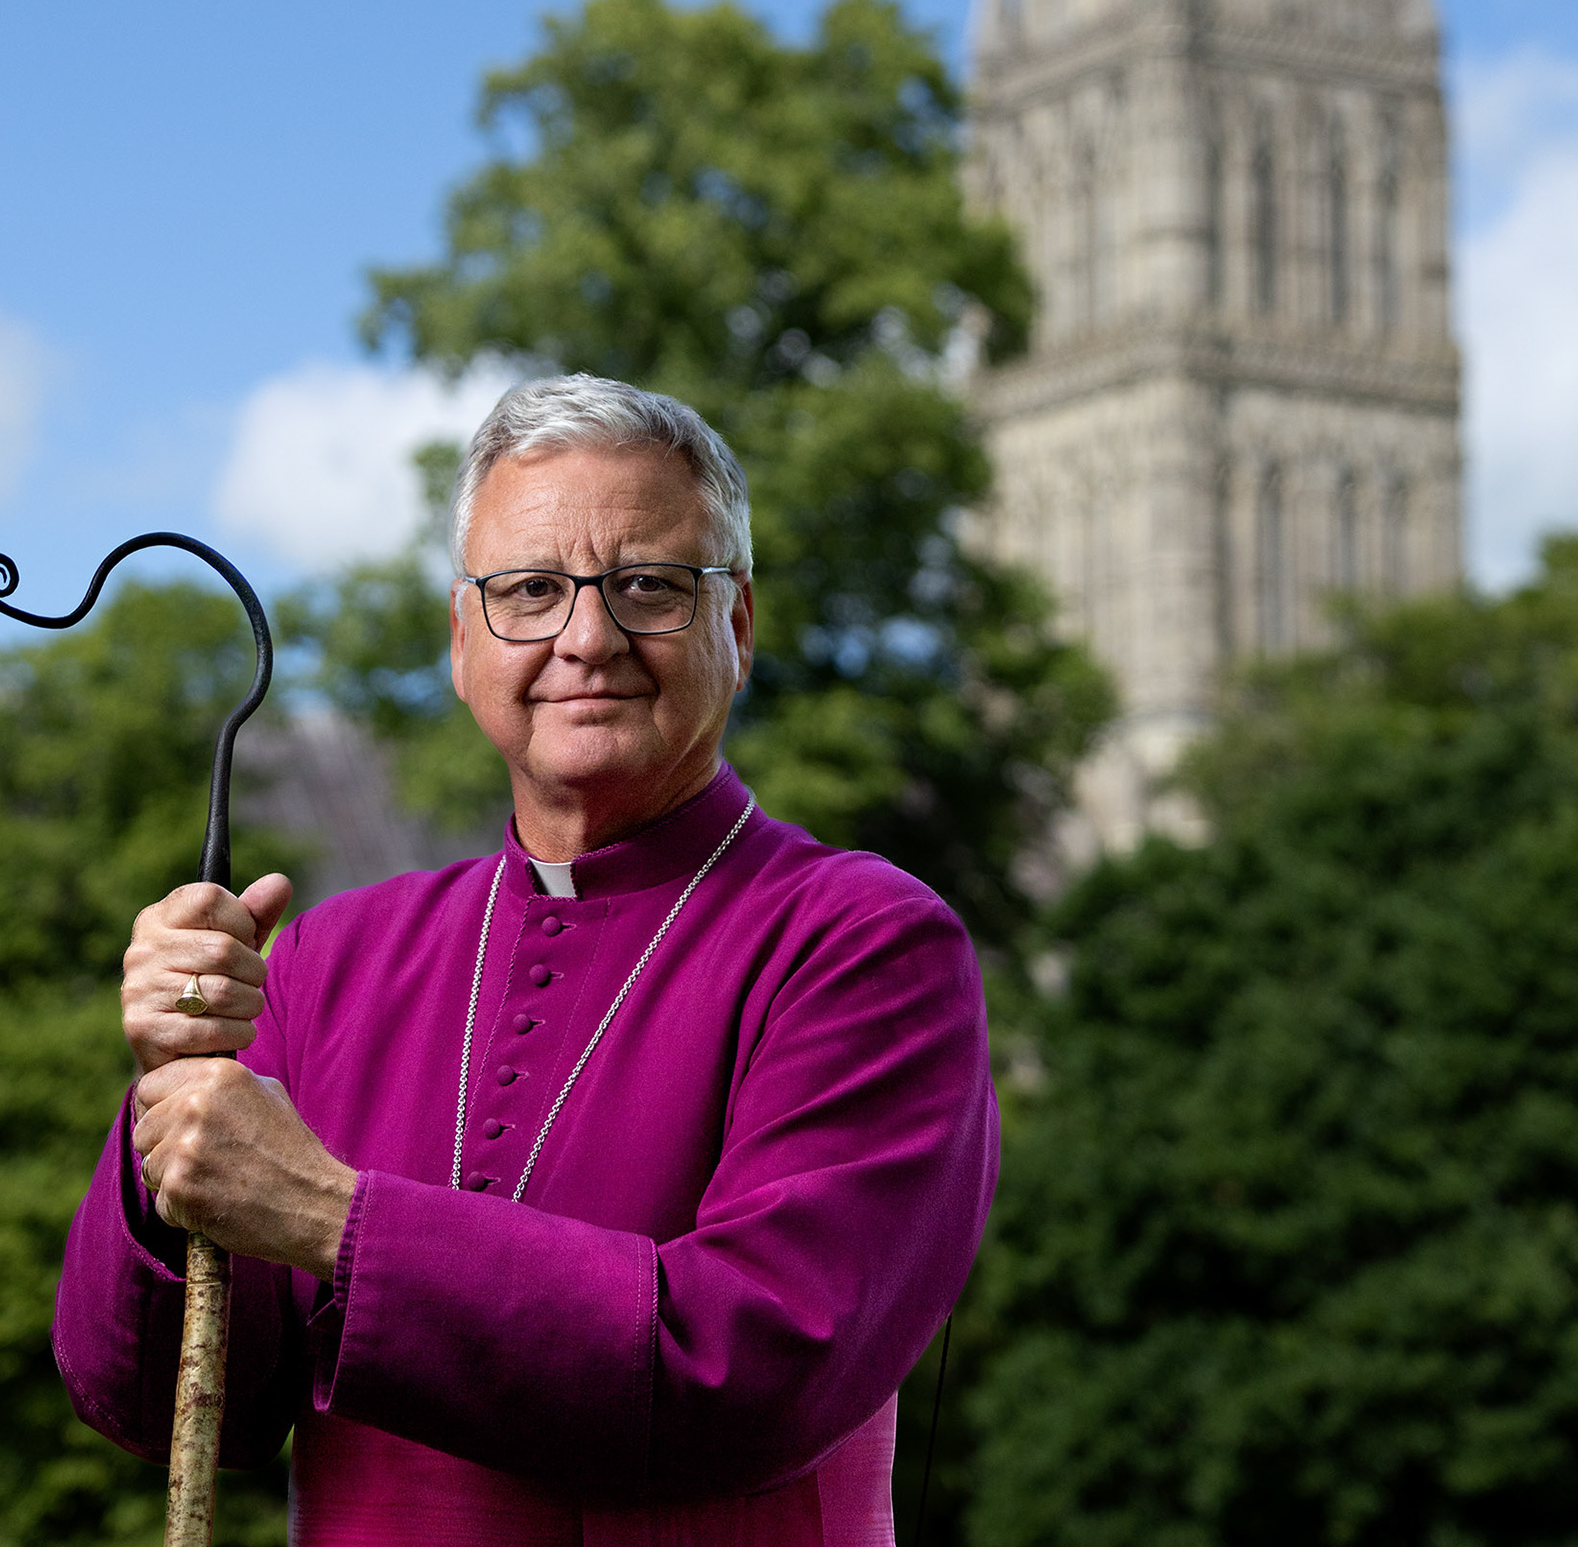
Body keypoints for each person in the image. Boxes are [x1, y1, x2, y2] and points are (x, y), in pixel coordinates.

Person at [54, 375, 999, 1544]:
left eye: (649, 585)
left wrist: (332, 1217)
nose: (586, 636)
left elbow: (756, 1364)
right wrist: (168, 1110)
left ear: (738, 627)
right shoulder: (324, 961)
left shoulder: (862, 944)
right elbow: (157, 1403)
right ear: (462, 642)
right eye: (532, 590)